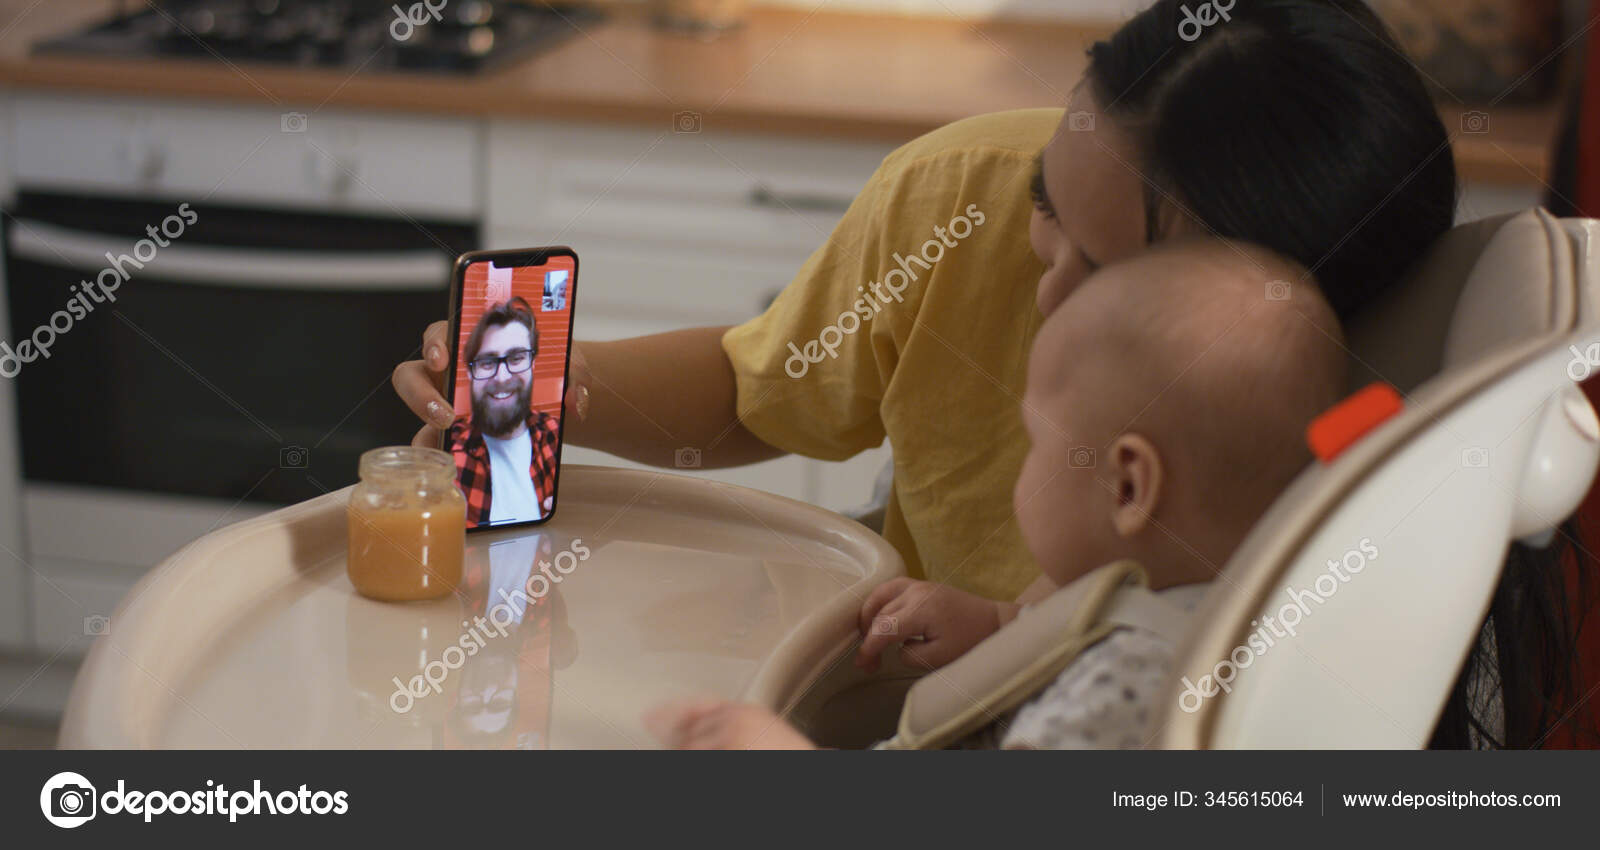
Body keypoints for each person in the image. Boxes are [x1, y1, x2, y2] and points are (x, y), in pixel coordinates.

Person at [645, 240, 1347, 749]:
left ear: (1130, 486)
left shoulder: (1142, 675)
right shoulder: (1217, 598)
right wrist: (1000, 625)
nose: (1028, 461)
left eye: (1037, 439)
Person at [448, 297, 559, 527]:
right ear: (470, 373)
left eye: (516, 358)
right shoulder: (451, 454)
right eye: (487, 362)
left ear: (533, 364)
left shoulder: (553, 434)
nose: (501, 377)